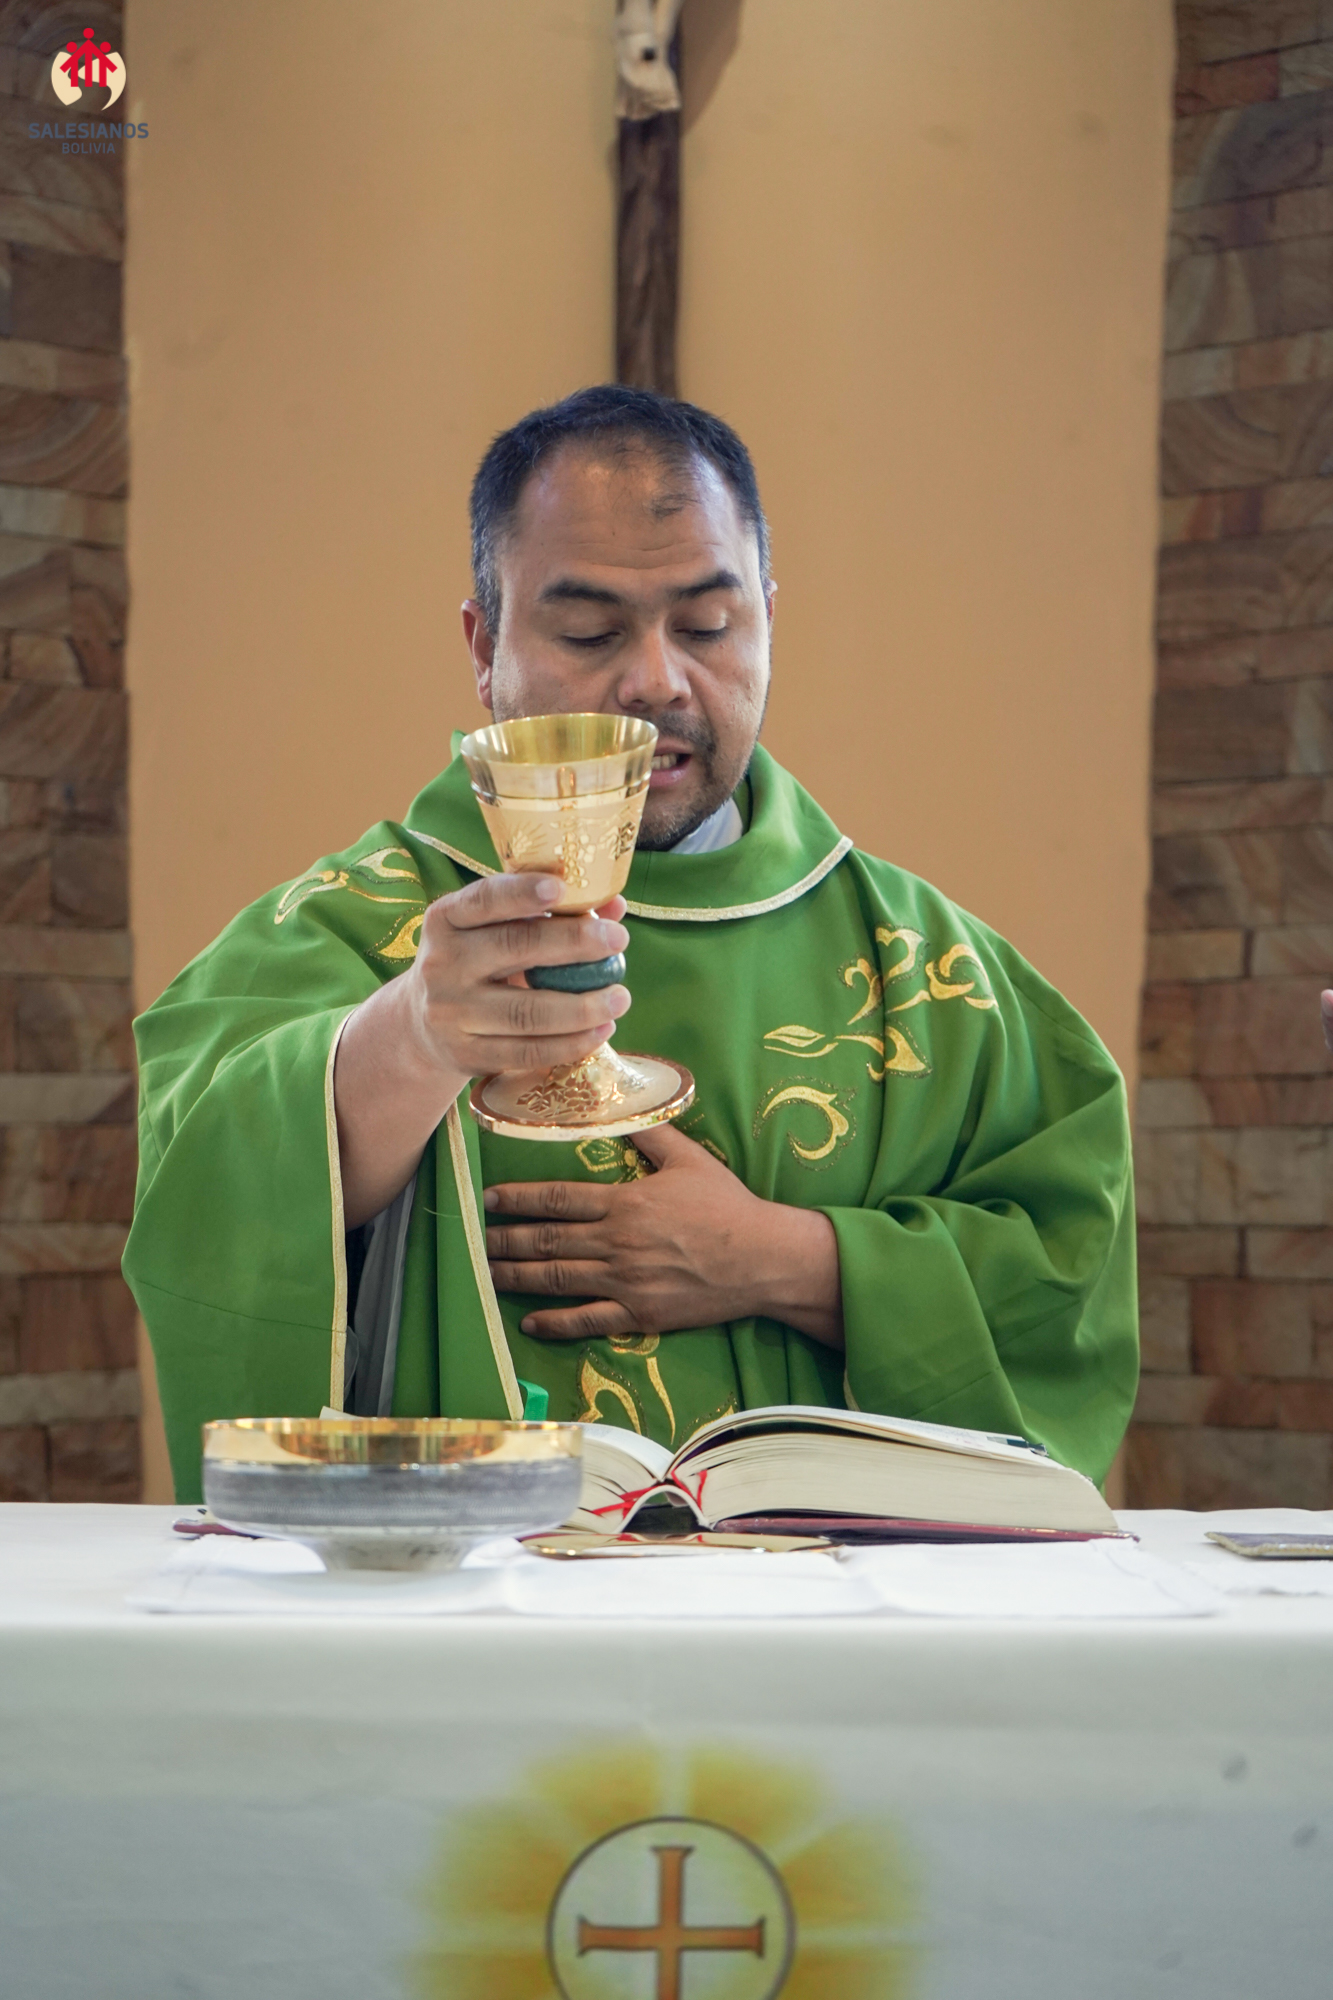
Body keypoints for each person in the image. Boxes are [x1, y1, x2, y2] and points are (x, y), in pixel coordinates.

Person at [125, 386, 1138, 1501]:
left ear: (767, 622)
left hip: (821, 1600)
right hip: (466, 1590)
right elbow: (203, 1191)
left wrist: (785, 1259)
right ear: (485, 646)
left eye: (706, 627)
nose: (656, 680)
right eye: (588, 631)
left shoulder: (930, 970)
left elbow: (1066, 1274)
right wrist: (407, 1041)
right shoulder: (350, 924)